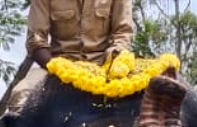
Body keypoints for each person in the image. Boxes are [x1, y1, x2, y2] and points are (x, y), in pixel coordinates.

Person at [7, 0, 135, 112]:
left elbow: (122, 34)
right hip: (58, 66)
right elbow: (35, 41)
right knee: (21, 94)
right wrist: (58, 68)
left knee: (147, 90)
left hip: (104, 65)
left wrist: (117, 61)